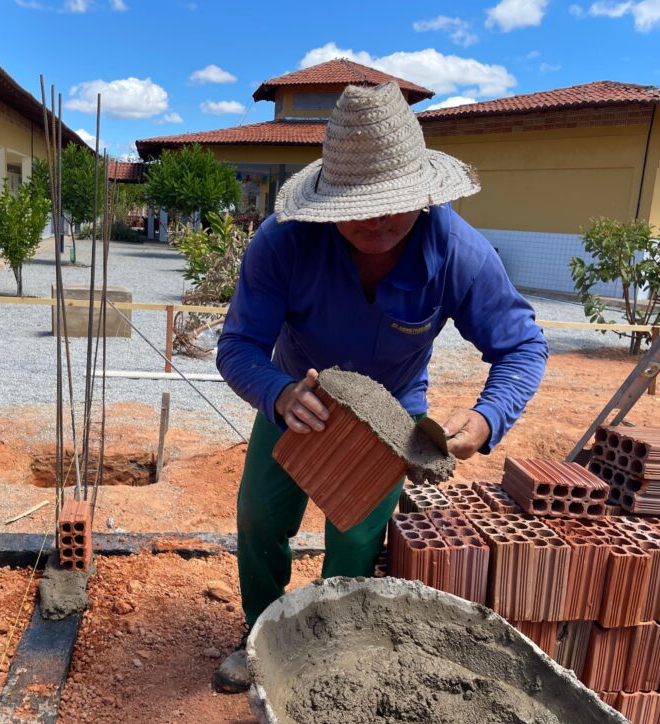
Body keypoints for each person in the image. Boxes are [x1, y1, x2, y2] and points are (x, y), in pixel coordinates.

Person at [212, 82, 549, 693]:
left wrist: (485, 419)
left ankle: (333, 651)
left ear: (423, 195)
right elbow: (236, 347)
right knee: (260, 517)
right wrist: (278, 393)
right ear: (330, 199)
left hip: (395, 410)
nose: (375, 221)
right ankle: (259, 633)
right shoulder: (283, 243)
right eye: (357, 205)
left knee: (358, 533)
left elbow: (522, 346)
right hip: (298, 399)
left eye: (391, 203)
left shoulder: (457, 253)